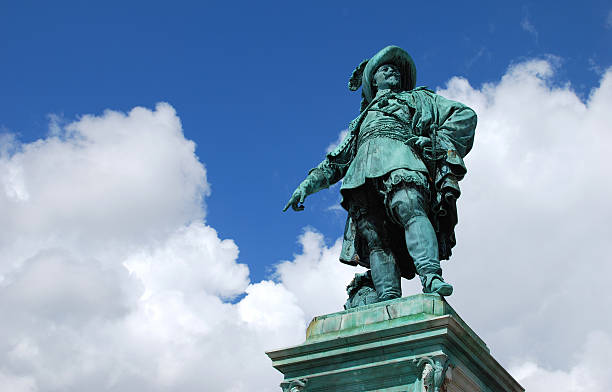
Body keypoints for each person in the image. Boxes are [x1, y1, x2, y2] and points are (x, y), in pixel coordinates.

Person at [284, 46, 477, 303]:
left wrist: (435, 141)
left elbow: (464, 115)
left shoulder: (420, 99)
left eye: (395, 69)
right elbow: (336, 161)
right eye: (384, 69)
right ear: (373, 81)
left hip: (402, 160)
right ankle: (387, 297)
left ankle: (431, 276)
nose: (392, 71)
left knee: (410, 208)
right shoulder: (360, 122)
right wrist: (306, 186)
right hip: (360, 176)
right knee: (375, 238)